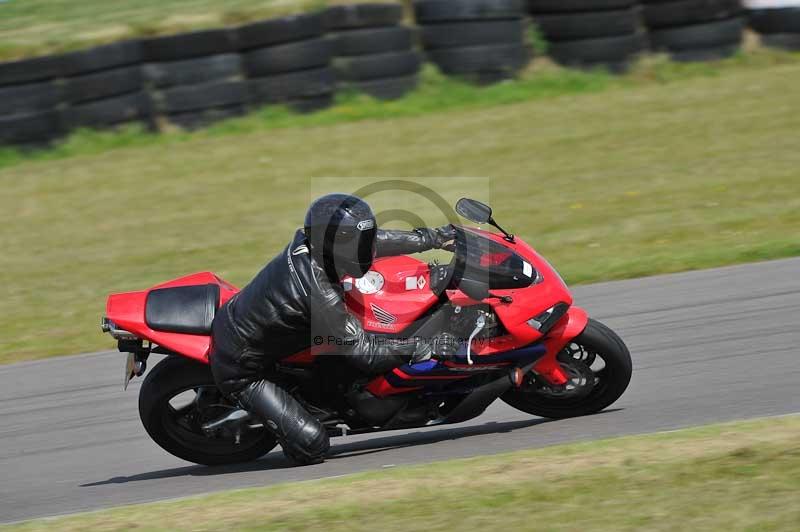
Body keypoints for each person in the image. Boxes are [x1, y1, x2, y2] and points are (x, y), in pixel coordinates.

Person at [209, 193, 457, 465]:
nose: (366, 248)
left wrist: (434, 238)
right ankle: (285, 414)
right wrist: (423, 348)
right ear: (333, 245)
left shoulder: (316, 244)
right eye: (356, 242)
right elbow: (366, 354)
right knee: (313, 447)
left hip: (270, 330)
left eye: (363, 238)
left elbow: (374, 242)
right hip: (242, 368)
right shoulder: (317, 286)